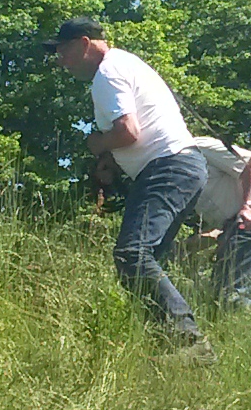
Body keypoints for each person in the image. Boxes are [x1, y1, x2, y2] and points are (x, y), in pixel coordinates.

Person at [48, 20, 210, 352]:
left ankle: (190, 342)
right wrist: (111, 156)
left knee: (131, 254)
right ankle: (168, 346)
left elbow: (129, 131)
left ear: (84, 43)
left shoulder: (106, 74)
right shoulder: (127, 63)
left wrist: (97, 144)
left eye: (62, 52)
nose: (60, 62)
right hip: (182, 166)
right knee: (144, 261)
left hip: (167, 167)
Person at [187, 137, 251, 307]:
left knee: (227, 297)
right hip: (235, 228)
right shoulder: (178, 168)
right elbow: (223, 218)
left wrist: (248, 208)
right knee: (217, 301)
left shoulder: (197, 145)